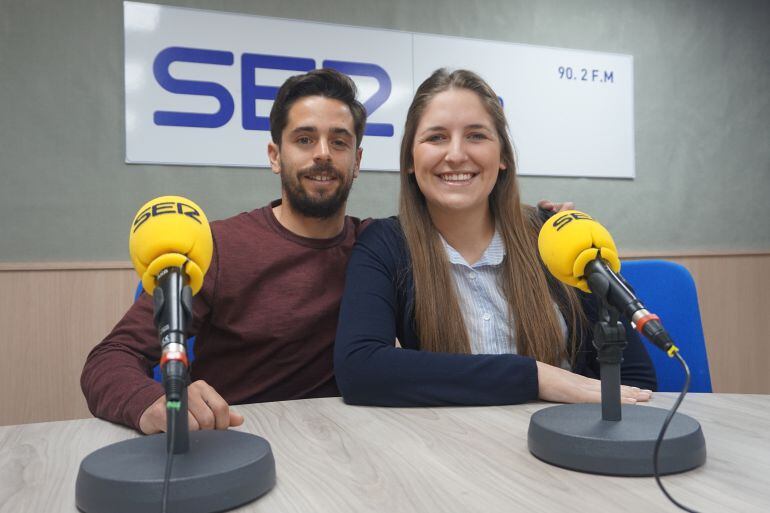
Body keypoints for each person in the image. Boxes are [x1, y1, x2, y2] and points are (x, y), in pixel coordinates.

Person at [81, 68, 572, 434]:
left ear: (357, 161)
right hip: (237, 442)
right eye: (304, 139)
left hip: (349, 440)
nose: (322, 153)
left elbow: (457, 214)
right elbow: (110, 358)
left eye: (339, 142)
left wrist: (542, 222)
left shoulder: (380, 246)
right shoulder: (215, 246)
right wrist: (153, 403)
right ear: (275, 156)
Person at [333, 69, 656, 407]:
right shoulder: (385, 244)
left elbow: (636, 381)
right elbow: (360, 369)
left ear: (502, 156)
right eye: (436, 137)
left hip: (566, 432)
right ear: (410, 160)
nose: (456, 154)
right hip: (453, 436)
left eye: (476, 136)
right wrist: (534, 377)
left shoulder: (556, 236)